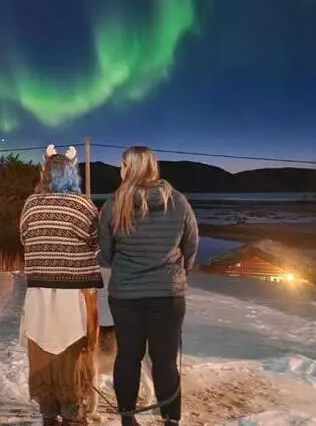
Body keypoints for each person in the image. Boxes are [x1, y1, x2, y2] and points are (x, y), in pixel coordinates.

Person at [98, 146, 199, 426]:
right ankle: (171, 420)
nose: (120, 170)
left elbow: (105, 254)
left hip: (126, 295)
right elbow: (191, 246)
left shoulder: (114, 204)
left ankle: (128, 419)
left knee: (128, 356)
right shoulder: (178, 201)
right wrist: (178, 273)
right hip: (168, 294)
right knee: (165, 360)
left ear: (129, 168)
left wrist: (127, 265)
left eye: (122, 165)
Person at [19, 144, 104, 426]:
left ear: (45, 173)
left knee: (42, 353)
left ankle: (48, 413)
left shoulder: (31, 204)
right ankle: (72, 414)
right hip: (74, 294)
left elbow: (24, 238)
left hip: (39, 293)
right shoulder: (83, 206)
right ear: (72, 173)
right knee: (72, 354)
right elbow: (97, 242)